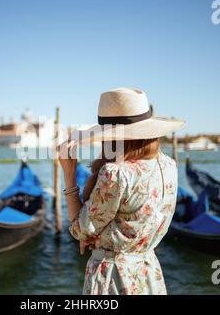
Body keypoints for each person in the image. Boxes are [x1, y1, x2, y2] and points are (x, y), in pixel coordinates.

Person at [58, 87, 185, 295]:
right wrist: (102, 236)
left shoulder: (115, 174)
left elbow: (79, 229)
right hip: (149, 275)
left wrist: (69, 173)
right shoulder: (169, 165)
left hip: (114, 280)